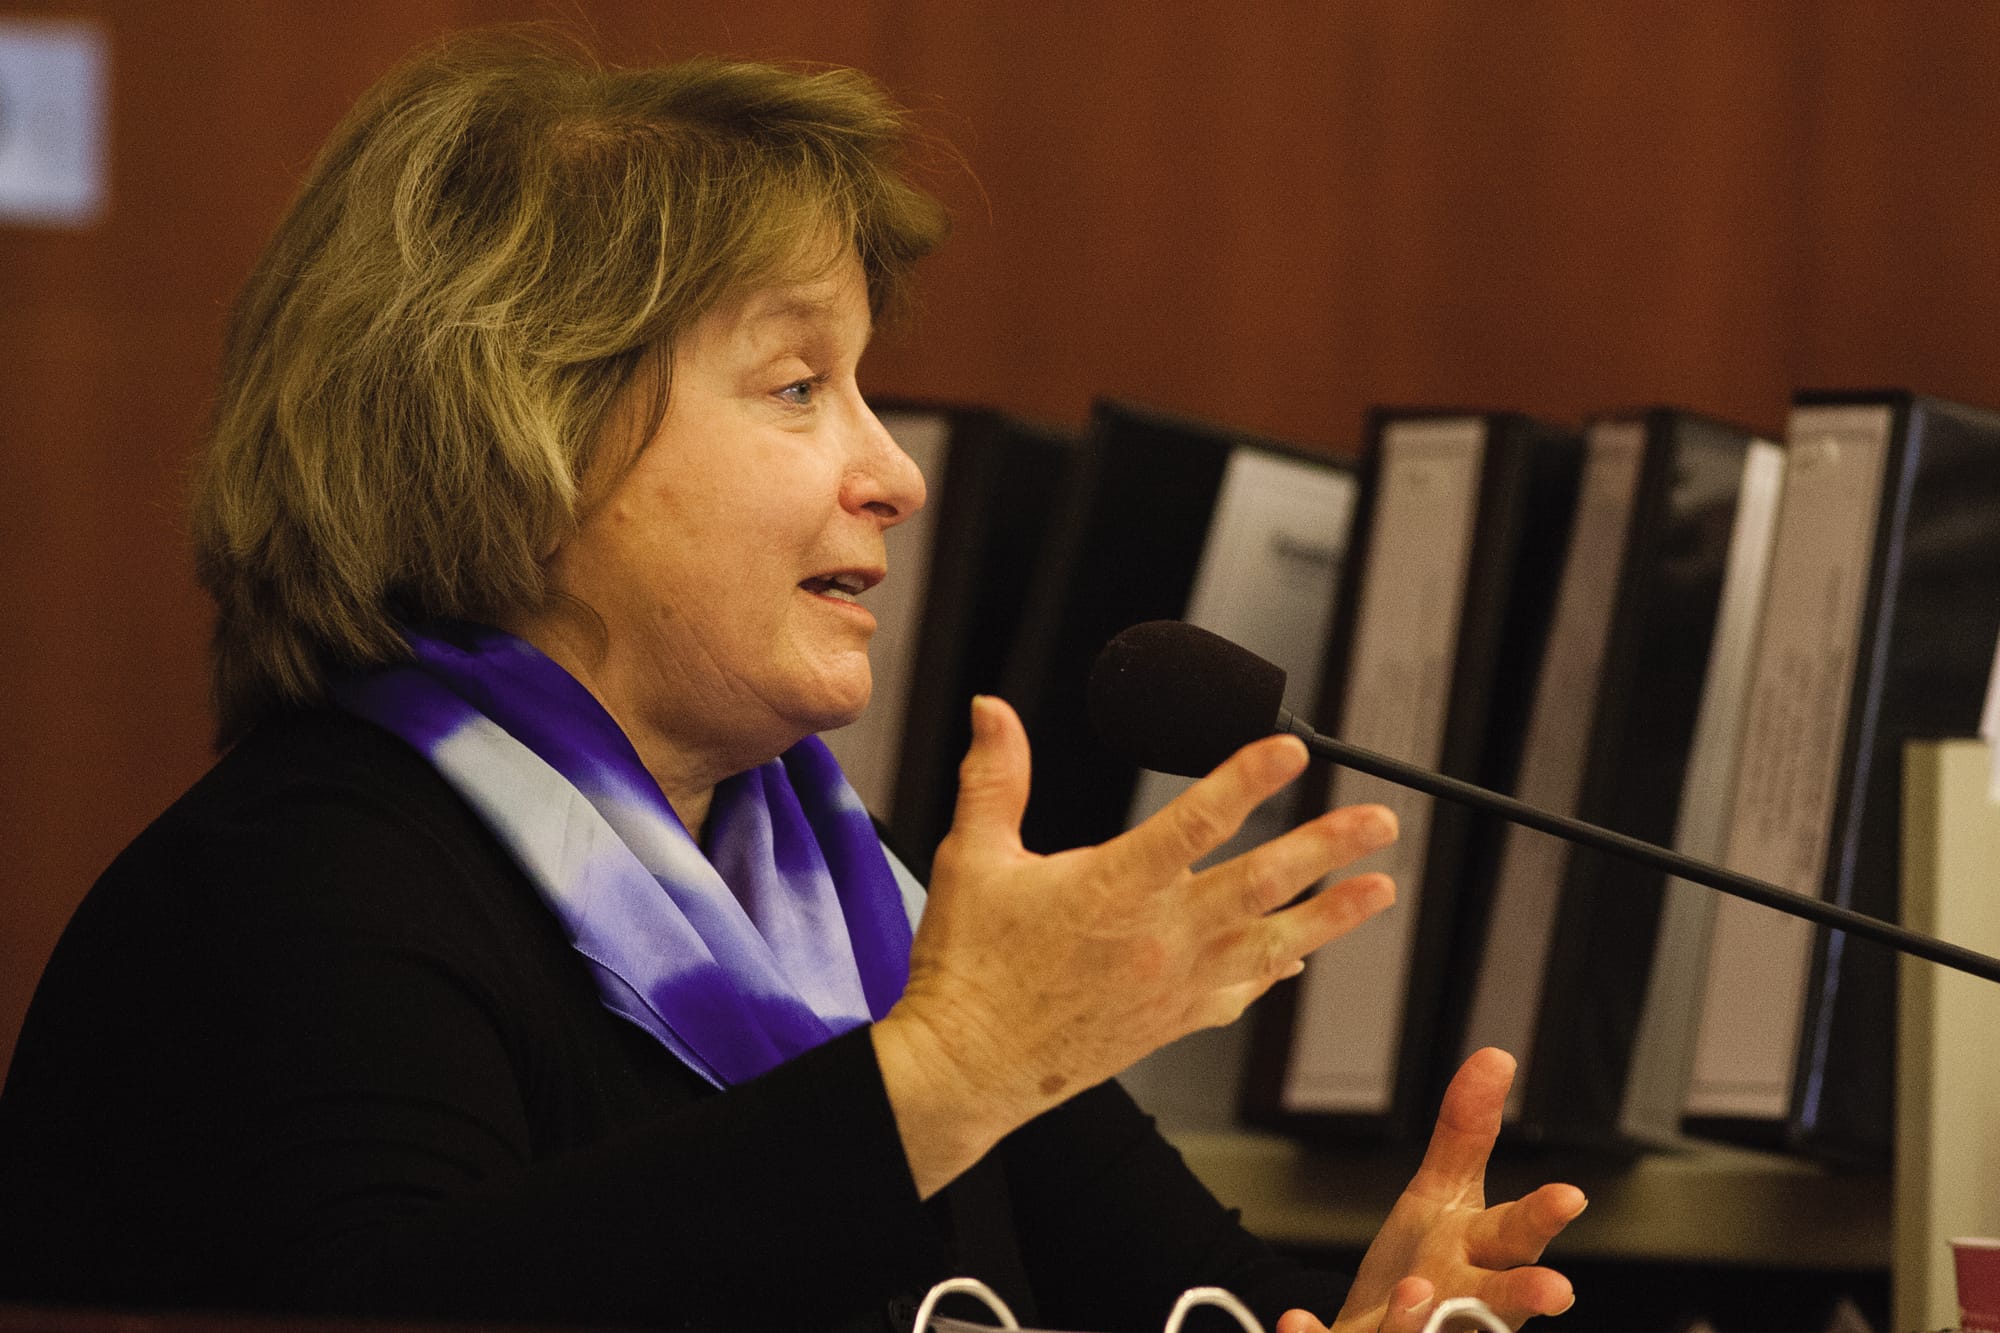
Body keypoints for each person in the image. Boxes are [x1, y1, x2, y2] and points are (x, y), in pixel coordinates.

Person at [0, 31, 1585, 1333]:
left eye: (863, 387)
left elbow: (1203, 1301)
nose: (893, 470)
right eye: (794, 385)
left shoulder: (848, 898)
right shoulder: (295, 892)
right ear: (519, 437)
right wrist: (944, 1073)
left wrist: (1362, 1322)